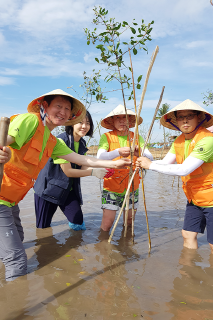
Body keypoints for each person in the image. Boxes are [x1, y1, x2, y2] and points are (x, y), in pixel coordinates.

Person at [0, 89, 131, 281]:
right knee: (17, 259)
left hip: (11, 201)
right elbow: (6, 140)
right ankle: (18, 304)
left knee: (17, 240)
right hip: (11, 196)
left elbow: (80, 158)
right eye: (58, 106)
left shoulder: (52, 141)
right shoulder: (30, 120)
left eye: (67, 108)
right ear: (44, 106)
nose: (62, 111)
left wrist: (114, 163)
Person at [136, 99, 213, 252]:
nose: (185, 120)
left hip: (211, 198)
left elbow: (184, 169)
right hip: (194, 197)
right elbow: (165, 162)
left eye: (190, 116)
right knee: (187, 234)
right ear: (176, 121)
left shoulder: (207, 140)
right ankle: (189, 271)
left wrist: (149, 165)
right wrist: (143, 159)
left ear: (199, 118)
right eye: (180, 117)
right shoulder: (179, 141)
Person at [34, 110, 104, 230]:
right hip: (48, 189)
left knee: (78, 223)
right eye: (80, 122)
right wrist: (93, 172)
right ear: (72, 123)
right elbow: (68, 171)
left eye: (87, 123)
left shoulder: (81, 143)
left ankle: (77, 246)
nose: (84, 126)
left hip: (68, 189)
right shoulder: (61, 141)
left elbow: (83, 166)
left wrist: (102, 168)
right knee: (43, 228)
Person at [97, 104, 153, 231]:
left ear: (131, 121)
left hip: (132, 185)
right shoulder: (107, 137)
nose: (122, 121)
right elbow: (100, 157)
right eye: (118, 118)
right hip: (111, 185)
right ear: (112, 121)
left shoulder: (137, 137)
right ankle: (103, 247)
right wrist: (118, 152)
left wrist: (140, 153)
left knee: (129, 222)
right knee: (107, 222)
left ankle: (126, 245)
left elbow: (150, 157)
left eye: (125, 118)